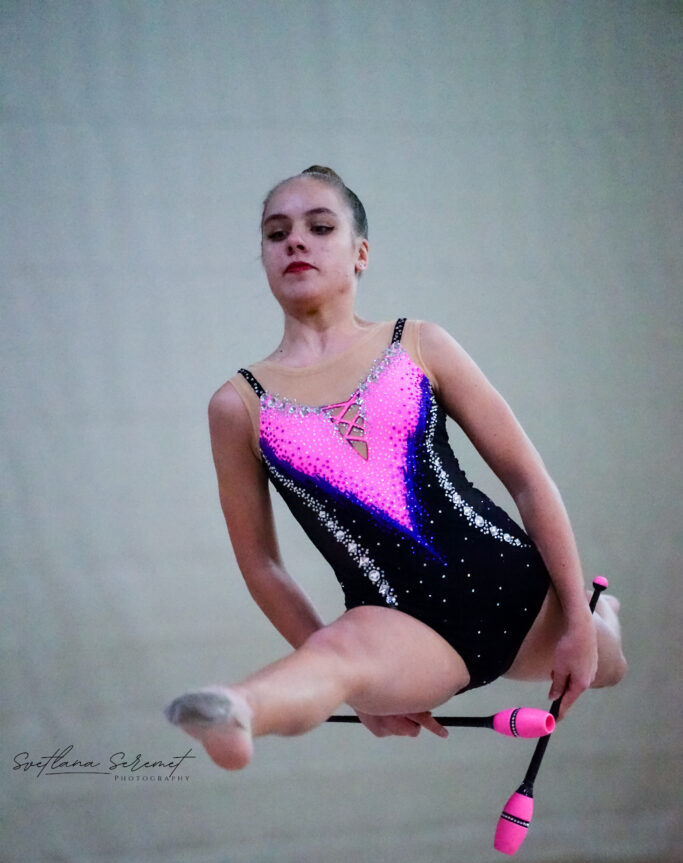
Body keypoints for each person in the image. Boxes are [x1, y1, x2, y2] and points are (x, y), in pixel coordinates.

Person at [165, 165, 626, 771]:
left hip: (516, 585)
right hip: (399, 628)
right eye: (276, 233)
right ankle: (239, 708)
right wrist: (360, 695)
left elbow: (527, 479)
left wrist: (578, 624)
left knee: (611, 659)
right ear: (265, 259)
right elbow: (261, 564)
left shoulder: (419, 343)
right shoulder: (238, 405)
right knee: (332, 658)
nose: (295, 241)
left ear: (360, 253)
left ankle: (604, 614)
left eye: (319, 227)